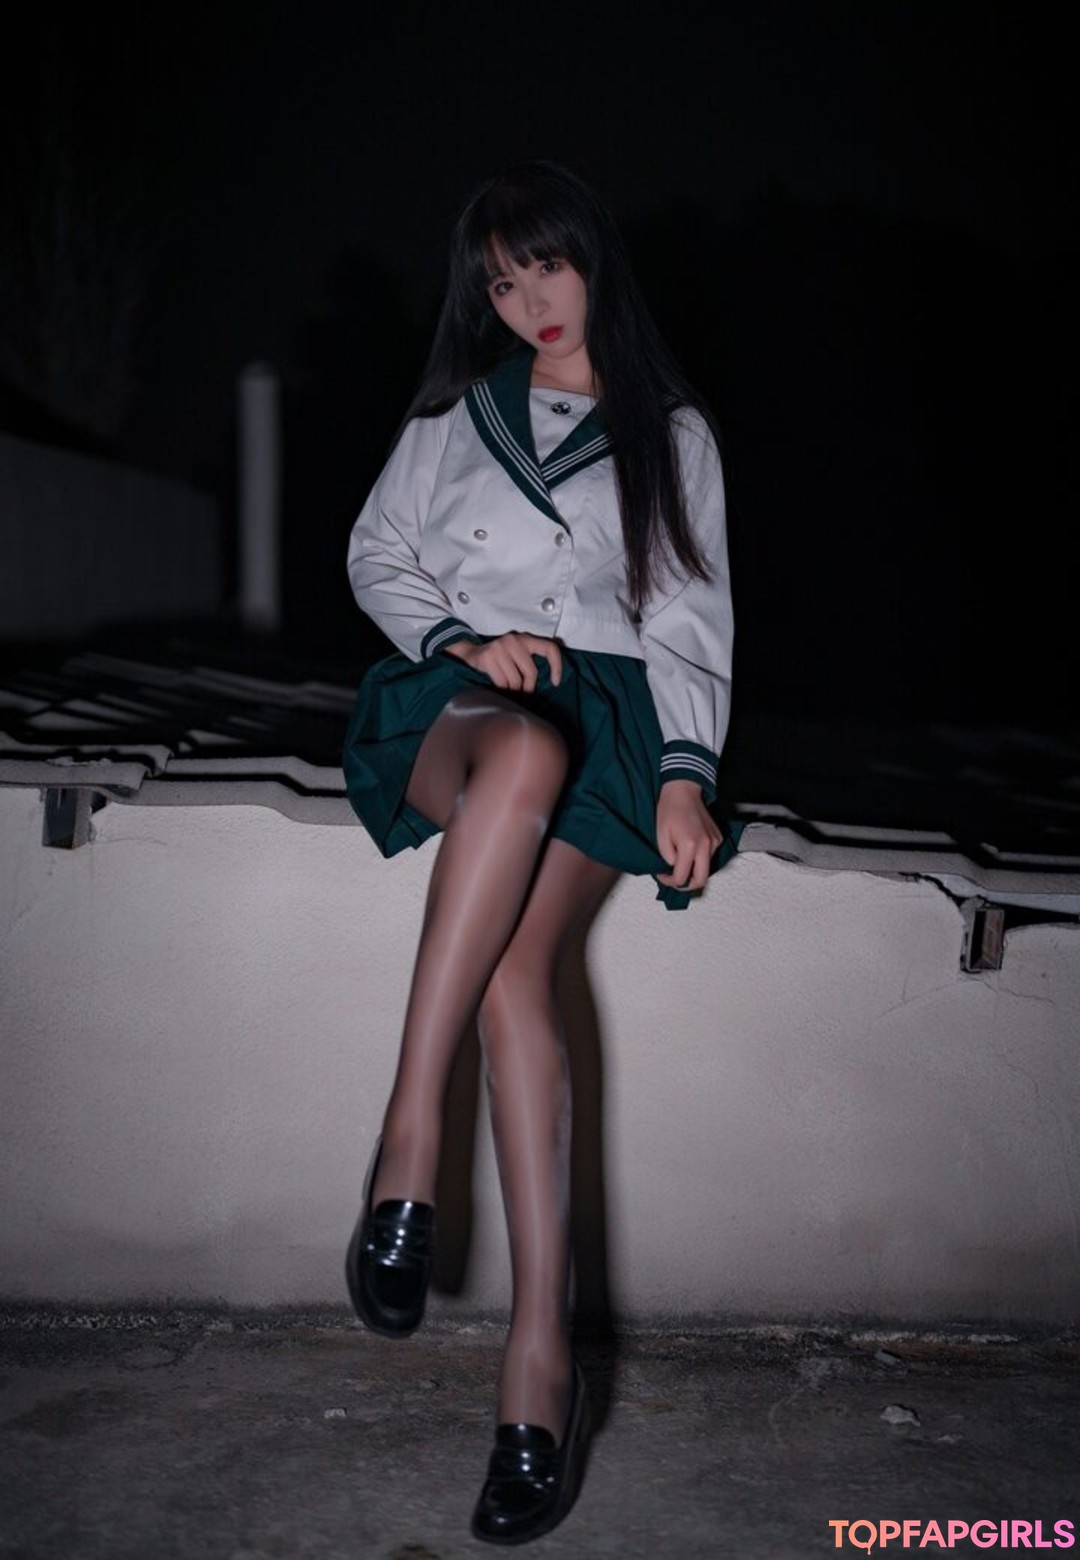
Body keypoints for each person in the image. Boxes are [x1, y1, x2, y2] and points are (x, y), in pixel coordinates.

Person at [342, 159, 736, 1546]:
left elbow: (688, 615)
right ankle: (413, 1136)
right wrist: (459, 639)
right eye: (502, 283)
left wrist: (686, 775)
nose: (530, 302)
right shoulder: (455, 416)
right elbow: (378, 554)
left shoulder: (670, 433)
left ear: (594, 260)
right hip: (456, 705)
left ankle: (536, 1365)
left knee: (520, 980)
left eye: (547, 267)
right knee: (514, 752)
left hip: (607, 723)